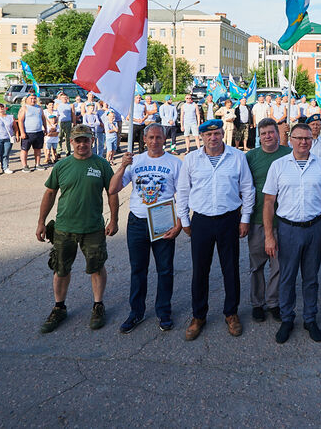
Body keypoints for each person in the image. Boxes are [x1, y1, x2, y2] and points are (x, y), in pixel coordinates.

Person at [175, 119, 255, 341]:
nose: (213, 138)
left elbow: (248, 189)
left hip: (229, 219)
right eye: (208, 135)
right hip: (201, 221)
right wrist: (184, 220)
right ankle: (198, 316)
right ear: (201, 137)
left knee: (230, 269)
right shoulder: (191, 159)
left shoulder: (237, 157)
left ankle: (231, 313)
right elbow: (182, 191)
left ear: (222, 134)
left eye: (217, 134)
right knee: (200, 270)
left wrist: (245, 218)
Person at [35, 124, 118, 334]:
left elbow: (112, 193)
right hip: (64, 227)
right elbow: (50, 194)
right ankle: (59, 307)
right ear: (71, 142)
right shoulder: (62, 166)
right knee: (60, 269)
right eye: (78, 140)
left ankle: (98, 305)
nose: (82, 144)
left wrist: (114, 220)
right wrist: (41, 222)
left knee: (97, 267)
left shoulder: (101, 165)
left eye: (86, 139)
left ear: (92, 140)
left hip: (93, 227)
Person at [263, 122, 321, 343]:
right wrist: (269, 235)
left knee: (311, 277)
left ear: (312, 140)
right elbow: (269, 202)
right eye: (299, 138)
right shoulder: (278, 166)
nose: (304, 142)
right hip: (287, 229)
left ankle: (310, 319)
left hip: (315, 228)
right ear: (290, 140)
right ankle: (287, 319)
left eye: (307, 138)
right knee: (286, 277)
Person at [109, 124, 183, 334]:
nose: (154, 141)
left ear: (164, 138)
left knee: (165, 269)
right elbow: (113, 188)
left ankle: (163, 311)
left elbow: (185, 196)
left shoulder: (174, 163)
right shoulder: (135, 161)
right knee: (138, 270)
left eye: (158, 137)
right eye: (150, 137)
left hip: (163, 221)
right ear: (144, 139)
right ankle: (136, 312)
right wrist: (122, 166)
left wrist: (179, 223)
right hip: (138, 222)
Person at [244, 117, 289, 323]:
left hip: (284, 220)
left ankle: (273, 302)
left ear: (278, 134)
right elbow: (241, 187)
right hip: (257, 219)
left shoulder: (289, 154)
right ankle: (257, 303)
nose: (268, 136)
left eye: (271, 132)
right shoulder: (251, 157)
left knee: (278, 265)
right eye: (263, 134)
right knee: (257, 264)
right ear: (259, 137)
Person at [17, 93, 45, 172]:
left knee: (38, 149)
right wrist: (22, 132)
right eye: (31, 98)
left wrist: (45, 128)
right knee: (25, 150)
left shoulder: (39, 108)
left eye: (34, 98)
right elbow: (20, 121)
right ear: (27, 99)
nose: (33, 100)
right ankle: (25, 166)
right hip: (28, 133)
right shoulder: (24, 108)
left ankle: (37, 164)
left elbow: (43, 119)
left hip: (38, 132)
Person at [55, 93, 76, 157]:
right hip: (60, 122)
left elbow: (73, 114)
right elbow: (55, 114)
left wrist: (74, 123)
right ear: (60, 98)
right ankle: (58, 151)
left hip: (68, 122)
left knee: (68, 137)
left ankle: (68, 151)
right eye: (63, 98)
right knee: (59, 137)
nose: (65, 99)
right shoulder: (57, 105)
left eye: (66, 98)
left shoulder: (70, 105)